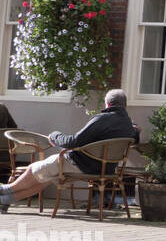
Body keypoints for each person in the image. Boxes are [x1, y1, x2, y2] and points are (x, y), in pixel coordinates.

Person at [0, 89, 139, 212]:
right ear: (124, 105)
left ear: (107, 104)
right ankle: (4, 200)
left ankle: (5, 189)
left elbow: (73, 142)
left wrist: (55, 136)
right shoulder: (129, 125)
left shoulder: (102, 119)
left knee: (33, 168)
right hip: (106, 169)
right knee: (46, 178)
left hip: (79, 164)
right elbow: (135, 139)